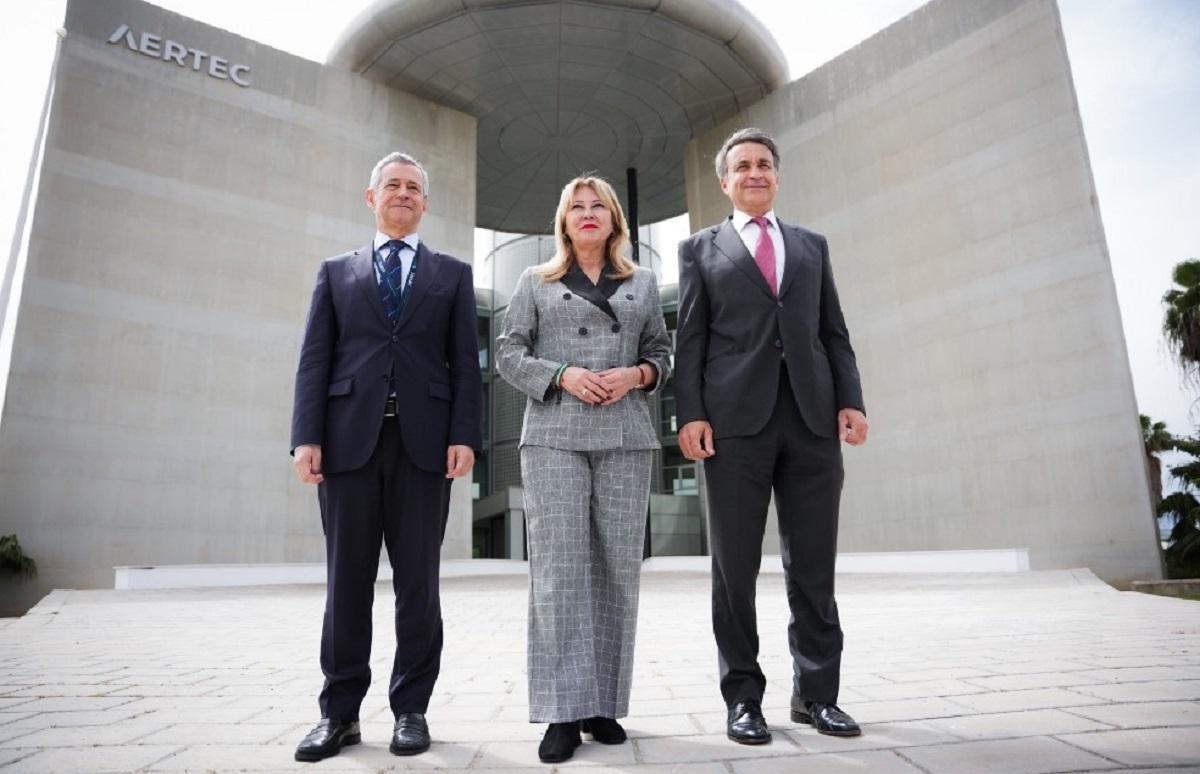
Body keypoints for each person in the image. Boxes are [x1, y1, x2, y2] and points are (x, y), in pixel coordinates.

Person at [674, 128, 869, 745]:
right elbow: (690, 339)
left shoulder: (812, 246)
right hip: (734, 425)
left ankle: (817, 695)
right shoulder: (698, 250)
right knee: (734, 568)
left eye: (764, 164)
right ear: (724, 181)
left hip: (812, 420)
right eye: (743, 166)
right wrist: (690, 414)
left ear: (777, 176)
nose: (755, 172)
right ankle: (743, 698)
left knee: (813, 564)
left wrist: (851, 400)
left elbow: (833, 331)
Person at [289, 151, 482, 761]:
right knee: (346, 583)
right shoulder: (335, 273)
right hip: (347, 446)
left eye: (413, 188)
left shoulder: (452, 275)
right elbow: (315, 359)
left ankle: (411, 710)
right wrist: (306, 437)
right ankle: (339, 714)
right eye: (392, 185)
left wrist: (466, 435)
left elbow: (465, 364)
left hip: (424, 448)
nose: (403, 193)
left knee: (418, 586)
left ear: (425, 203)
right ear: (371, 198)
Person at [496, 176, 671, 763]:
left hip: (625, 435)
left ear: (614, 219)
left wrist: (637, 375)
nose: (588, 213)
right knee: (560, 572)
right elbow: (509, 352)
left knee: (617, 571)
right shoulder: (535, 281)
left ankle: (603, 704)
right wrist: (561, 374)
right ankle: (562, 711)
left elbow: (661, 353)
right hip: (554, 437)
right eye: (577, 206)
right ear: (564, 221)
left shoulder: (642, 283)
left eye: (599, 206)